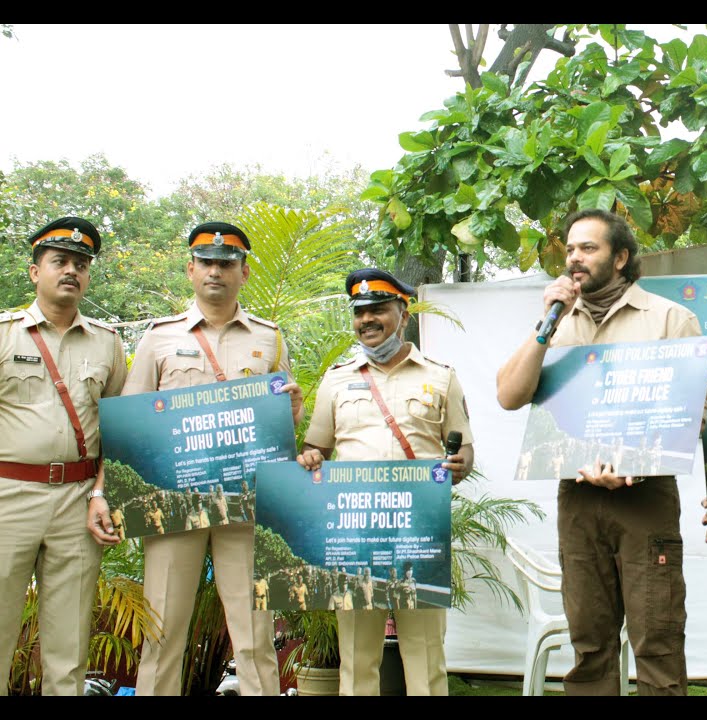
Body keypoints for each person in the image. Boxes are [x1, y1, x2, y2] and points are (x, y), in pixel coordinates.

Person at [496, 208, 701, 695]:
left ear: (622, 257)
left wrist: (633, 463)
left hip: (644, 501)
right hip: (578, 499)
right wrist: (546, 325)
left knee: (658, 639)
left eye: (588, 248)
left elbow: (694, 416)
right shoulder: (555, 327)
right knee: (588, 644)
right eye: (570, 249)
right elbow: (508, 396)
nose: (575, 258)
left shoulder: (670, 318)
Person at [125, 221, 304, 696]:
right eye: (206, 262)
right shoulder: (158, 338)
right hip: (174, 503)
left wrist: (292, 406)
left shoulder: (270, 338)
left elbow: (284, 419)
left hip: (245, 505)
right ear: (191, 269)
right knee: (161, 636)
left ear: (244, 273)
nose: (216, 271)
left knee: (254, 636)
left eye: (227, 264)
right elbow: (129, 423)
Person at [298, 268, 475, 696]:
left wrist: (458, 464)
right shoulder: (336, 379)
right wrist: (309, 458)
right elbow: (315, 447)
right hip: (355, 535)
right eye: (360, 313)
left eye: (378, 310)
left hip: (418, 533)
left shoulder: (441, 376)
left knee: (426, 653)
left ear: (404, 311)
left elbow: (466, 452)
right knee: (357, 659)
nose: (367, 320)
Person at [0, 217, 127, 695]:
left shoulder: (108, 342)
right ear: (35, 272)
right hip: (8, 496)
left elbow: (117, 432)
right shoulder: (5, 333)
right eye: (59, 262)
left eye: (81, 264)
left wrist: (101, 493)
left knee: (68, 646)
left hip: (79, 501)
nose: (71, 270)